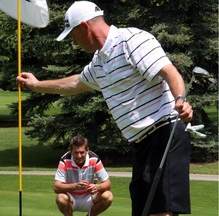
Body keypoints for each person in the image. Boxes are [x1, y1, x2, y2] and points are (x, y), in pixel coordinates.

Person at [17, 1, 193, 215]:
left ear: (84, 27)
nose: (74, 42)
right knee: (143, 211)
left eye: (73, 35)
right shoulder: (99, 62)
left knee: (158, 210)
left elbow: (169, 72)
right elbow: (76, 83)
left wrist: (180, 99)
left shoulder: (132, 40)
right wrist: (37, 85)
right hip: (141, 143)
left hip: (164, 133)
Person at [53, 135, 113, 216]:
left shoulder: (94, 158)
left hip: (90, 196)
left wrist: (96, 187)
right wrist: (75, 186)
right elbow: (56, 187)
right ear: (71, 151)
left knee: (108, 196)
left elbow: (108, 184)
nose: (79, 156)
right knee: (60, 198)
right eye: (76, 152)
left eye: (82, 152)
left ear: (87, 150)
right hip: (71, 197)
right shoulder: (65, 160)